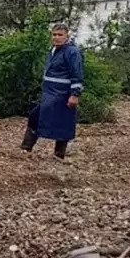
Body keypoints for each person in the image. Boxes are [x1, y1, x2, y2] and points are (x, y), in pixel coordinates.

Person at [21, 23, 83, 159]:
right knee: (35, 116)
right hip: (49, 92)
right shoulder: (53, 50)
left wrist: (74, 95)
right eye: (54, 34)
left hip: (62, 94)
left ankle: (59, 154)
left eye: (60, 35)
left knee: (64, 122)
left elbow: (77, 74)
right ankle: (26, 148)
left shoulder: (72, 52)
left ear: (67, 36)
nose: (57, 38)